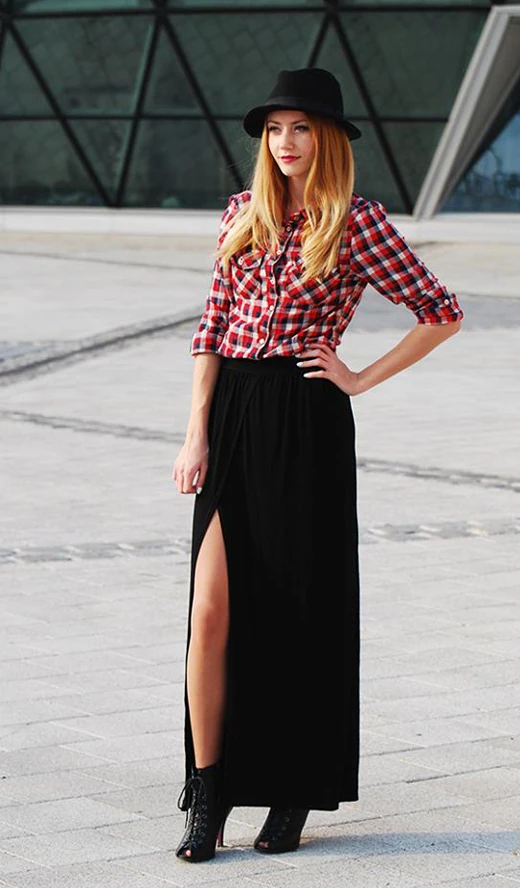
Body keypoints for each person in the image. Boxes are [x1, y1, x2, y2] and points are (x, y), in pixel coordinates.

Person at [171, 67, 464, 864]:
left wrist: (359, 377)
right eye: (274, 129)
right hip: (232, 413)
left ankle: (294, 788)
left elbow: (440, 312)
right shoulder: (242, 212)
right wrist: (195, 433)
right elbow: (211, 328)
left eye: (300, 128)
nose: (286, 142)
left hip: (305, 418)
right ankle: (207, 791)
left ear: (327, 138)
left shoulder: (358, 222)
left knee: (299, 610)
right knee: (209, 613)